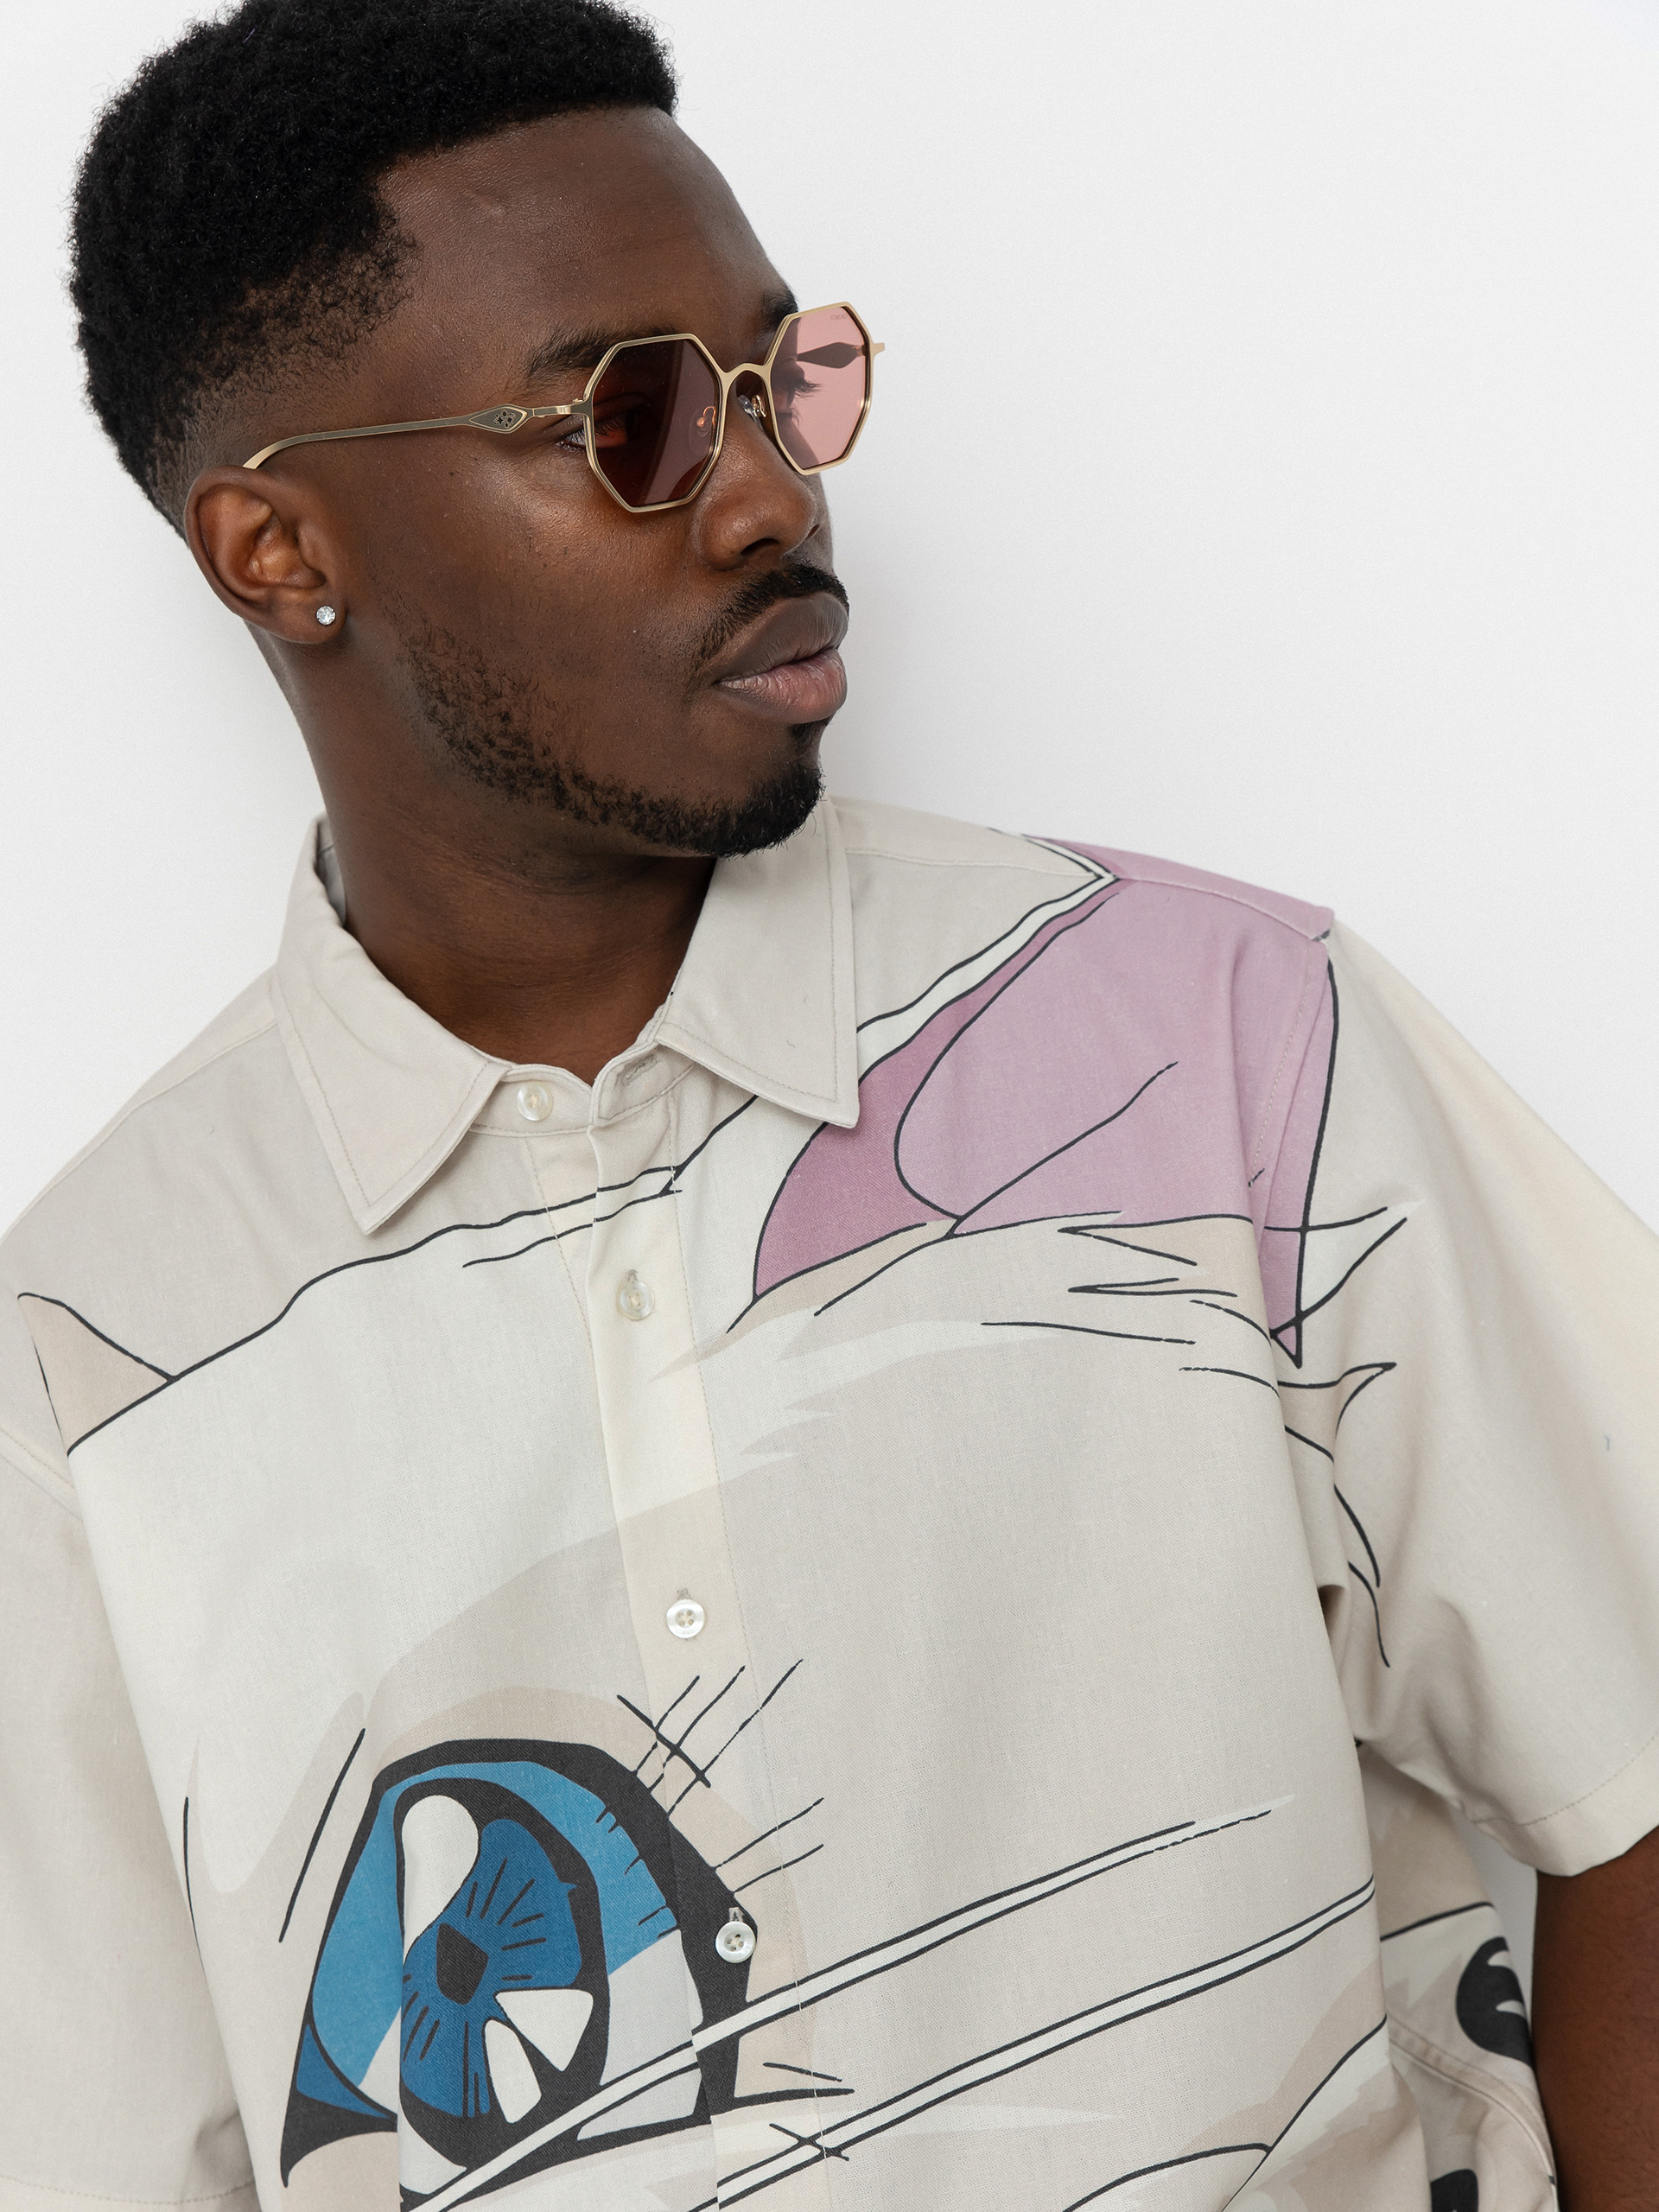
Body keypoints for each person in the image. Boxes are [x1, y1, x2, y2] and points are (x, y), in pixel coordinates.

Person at [3, 1, 1656, 2205]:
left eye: (782, 381)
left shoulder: (1235, 1047)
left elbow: (1634, 1772)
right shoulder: (86, 1369)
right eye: (635, 419)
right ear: (279, 549)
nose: (777, 493)